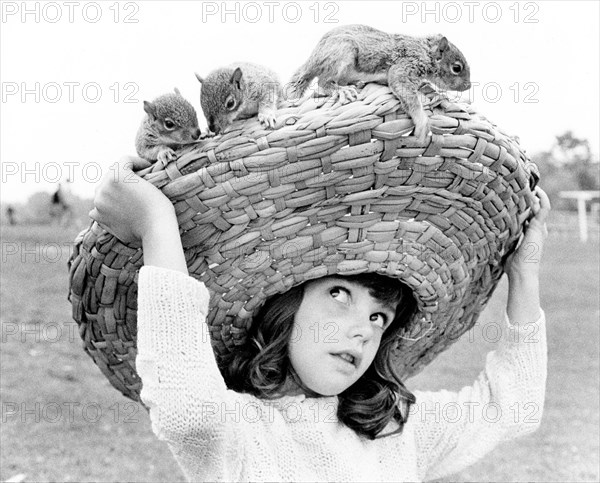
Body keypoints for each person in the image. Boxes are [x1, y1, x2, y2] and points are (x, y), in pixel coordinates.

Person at [90, 156, 550, 482]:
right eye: (338, 294)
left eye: (379, 316)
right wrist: (157, 221)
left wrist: (525, 276)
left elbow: (516, 408)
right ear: (284, 308)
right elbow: (187, 411)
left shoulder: (397, 428)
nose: (363, 328)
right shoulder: (239, 430)